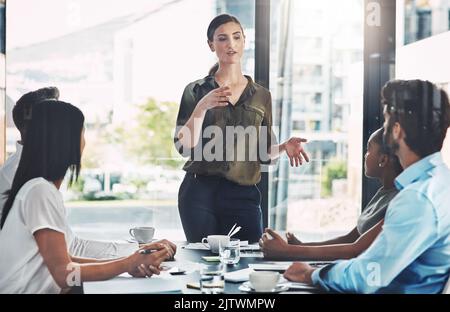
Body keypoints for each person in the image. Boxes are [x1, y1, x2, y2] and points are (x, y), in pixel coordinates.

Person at [284, 79, 450, 293]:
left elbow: (369, 275)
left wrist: (311, 274)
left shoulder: (417, 198)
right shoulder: (440, 182)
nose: (385, 126)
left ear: (397, 130)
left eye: (387, 120)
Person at [0, 100, 174, 293]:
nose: (85, 141)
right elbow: (65, 274)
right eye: (82, 132)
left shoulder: (38, 188)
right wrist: (127, 263)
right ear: (66, 140)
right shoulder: (40, 192)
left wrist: (130, 262)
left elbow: (67, 261)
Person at [174, 14, 309, 243]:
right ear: (211, 45)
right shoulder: (195, 91)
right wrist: (202, 107)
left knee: (248, 263)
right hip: (199, 193)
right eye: (223, 38)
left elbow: (263, 154)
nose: (231, 44)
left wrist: (284, 146)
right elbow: (183, 146)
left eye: (237, 37)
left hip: (243, 195)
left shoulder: (261, 96)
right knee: (205, 266)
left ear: (244, 41)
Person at [260, 128, 403, 260]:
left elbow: (354, 250)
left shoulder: (399, 200)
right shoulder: (383, 193)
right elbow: (350, 239)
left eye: (368, 149)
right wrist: (298, 246)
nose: (365, 155)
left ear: (383, 160)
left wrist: (288, 251)